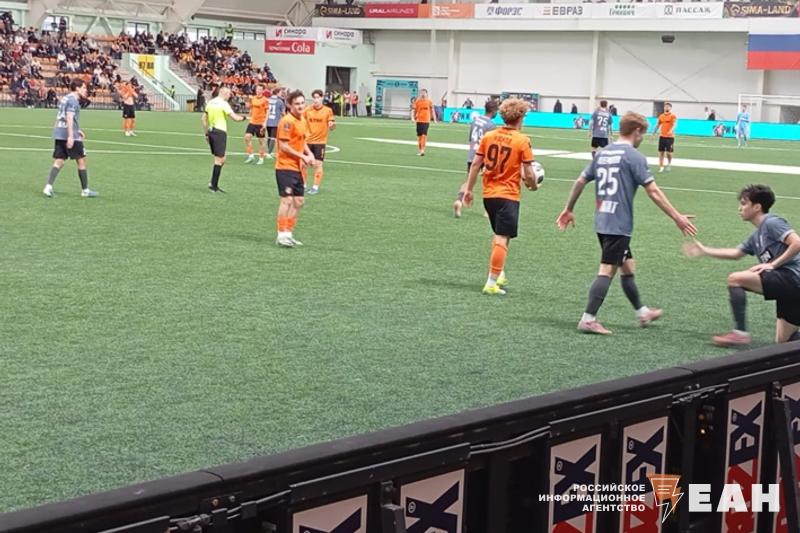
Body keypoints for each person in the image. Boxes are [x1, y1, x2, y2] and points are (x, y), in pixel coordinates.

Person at [556, 112, 697, 335]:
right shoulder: (634, 156)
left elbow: (580, 180)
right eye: (642, 133)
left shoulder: (602, 153)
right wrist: (677, 217)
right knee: (607, 270)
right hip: (618, 223)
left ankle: (642, 312)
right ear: (637, 131)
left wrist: (569, 208)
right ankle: (588, 319)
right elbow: (653, 191)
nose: (642, 138)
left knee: (627, 266)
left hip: (602, 219)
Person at [685, 185, 800, 346]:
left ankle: (740, 333)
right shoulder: (756, 235)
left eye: (744, 203)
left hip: (792, 278)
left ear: (757, 207)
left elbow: (797, 243)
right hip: (789, 287)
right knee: (784, 341)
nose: (740, 208)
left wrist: (773, 265)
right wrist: (705, 250)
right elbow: (736, 254)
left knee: (735, 279)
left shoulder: (772, 222)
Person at [463, 98, 541, 295]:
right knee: (502, 237)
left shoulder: (489, 136)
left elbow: (476, 164)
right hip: (508, 194)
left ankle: (499, 273)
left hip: (489, 194)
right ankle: (491, 283)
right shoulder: (522, 140)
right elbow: (529, 172)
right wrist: (533, 185)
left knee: (500, 235)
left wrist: (469, 189)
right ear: (520, 117)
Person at [42, 79, 98, 198]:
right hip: (69, 134)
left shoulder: (65, 98)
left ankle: (48, 187)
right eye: (83, 88)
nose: (85, 90)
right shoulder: (73, 101)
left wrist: (71, 130)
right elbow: (69, 117)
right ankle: (85, 190)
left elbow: (59, 116)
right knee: (81, 160)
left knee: (59, 160)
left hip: (60, 132)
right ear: (77, 88)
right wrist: (71, 136)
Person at [275, 90, 316, 247]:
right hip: (285, 166)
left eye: (302, 103)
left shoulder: (302, 120)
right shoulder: (287, 121)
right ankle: (281, 234)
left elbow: (302, 140)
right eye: (297, 104)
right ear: (290, 105)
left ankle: (288, 232)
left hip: (298, 168)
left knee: (299, 201)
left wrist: (309, 154)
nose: (300, 106)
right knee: (286, 200)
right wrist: (302, 156)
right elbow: (284, 146)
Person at [453, 99, 498, 218]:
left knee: (468, 181)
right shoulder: (491, 125)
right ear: (493, 111)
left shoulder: (475, 121)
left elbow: (470, 139)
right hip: (485, 156)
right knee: (490, 183)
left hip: (473, 154)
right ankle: (488, 211)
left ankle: (459, 201)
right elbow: (492, 145)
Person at [201, 86, 245, 192]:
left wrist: (206, 133)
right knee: (219, 159)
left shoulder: (210, 102)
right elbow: (235, 118)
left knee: (222, 158)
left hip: (211, 131)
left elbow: (203, 118)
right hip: (219, 132)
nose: (230, 96)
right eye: (229, 94)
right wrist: (244, 118)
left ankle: (213, 182)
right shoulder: (223, 104)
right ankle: (213, 185)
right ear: (224, 93)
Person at [302, 89, 336, 195]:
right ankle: (303, 185)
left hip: (320, 142)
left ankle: (315, 187)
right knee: (303, 164)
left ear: (322, 98)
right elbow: (300, 122)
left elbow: (332, 126)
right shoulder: (307, 110)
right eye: (314, 98)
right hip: (307, 141)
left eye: (318, 97)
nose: (316, 100)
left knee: (318, 164)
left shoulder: (328, 110)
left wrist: (332, 125)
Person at [244, 85, 269, 165]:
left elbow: (267, 112)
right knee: (247, 137)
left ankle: (261, 158)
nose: (258, 90)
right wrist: (247, 100)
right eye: (257, 89)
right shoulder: (253, 98)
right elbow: (250, 107)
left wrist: (265, 122)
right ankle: (251, 155)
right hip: (252, 122)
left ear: (262, 91)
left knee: (261, 141)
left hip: (260, 123)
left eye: (260, 89)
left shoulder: (265, 100)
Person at [653, 102, 677, 173]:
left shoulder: (673, 116)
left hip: (670, 137)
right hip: (662, 136)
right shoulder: (661, 116)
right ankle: (661, 166)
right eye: (665, 106)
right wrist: (653, 133)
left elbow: (675, 124)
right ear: (664, 107)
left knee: (668, 153)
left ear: (670, 108)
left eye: (668, 107)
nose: (667, 107)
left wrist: (671, 130)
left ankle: (669, 163)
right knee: (661, 152)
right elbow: (657, 125)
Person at [412, 88, 436, 156]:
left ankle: (423, 150)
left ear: (426, 94)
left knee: (424, 135)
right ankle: (420, 150)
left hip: (426, 120)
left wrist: (434, 119)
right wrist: (413, 118)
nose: (423, 94)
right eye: (422, 93)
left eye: (424, 93)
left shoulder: (429, 101)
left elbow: (432, 110)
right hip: (419, 120)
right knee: (419, 136)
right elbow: (414, 110)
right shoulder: (418, 101)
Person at [265, 88, 286, 158]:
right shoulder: (280, 101)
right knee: (273, 138)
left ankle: (269, 152)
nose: (281, 94)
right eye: (280, 92)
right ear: (277, 93)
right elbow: (283, 112)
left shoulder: (268, 100)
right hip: (275, 121)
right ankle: (269, 153)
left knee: (269, 136)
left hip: (268, 120)